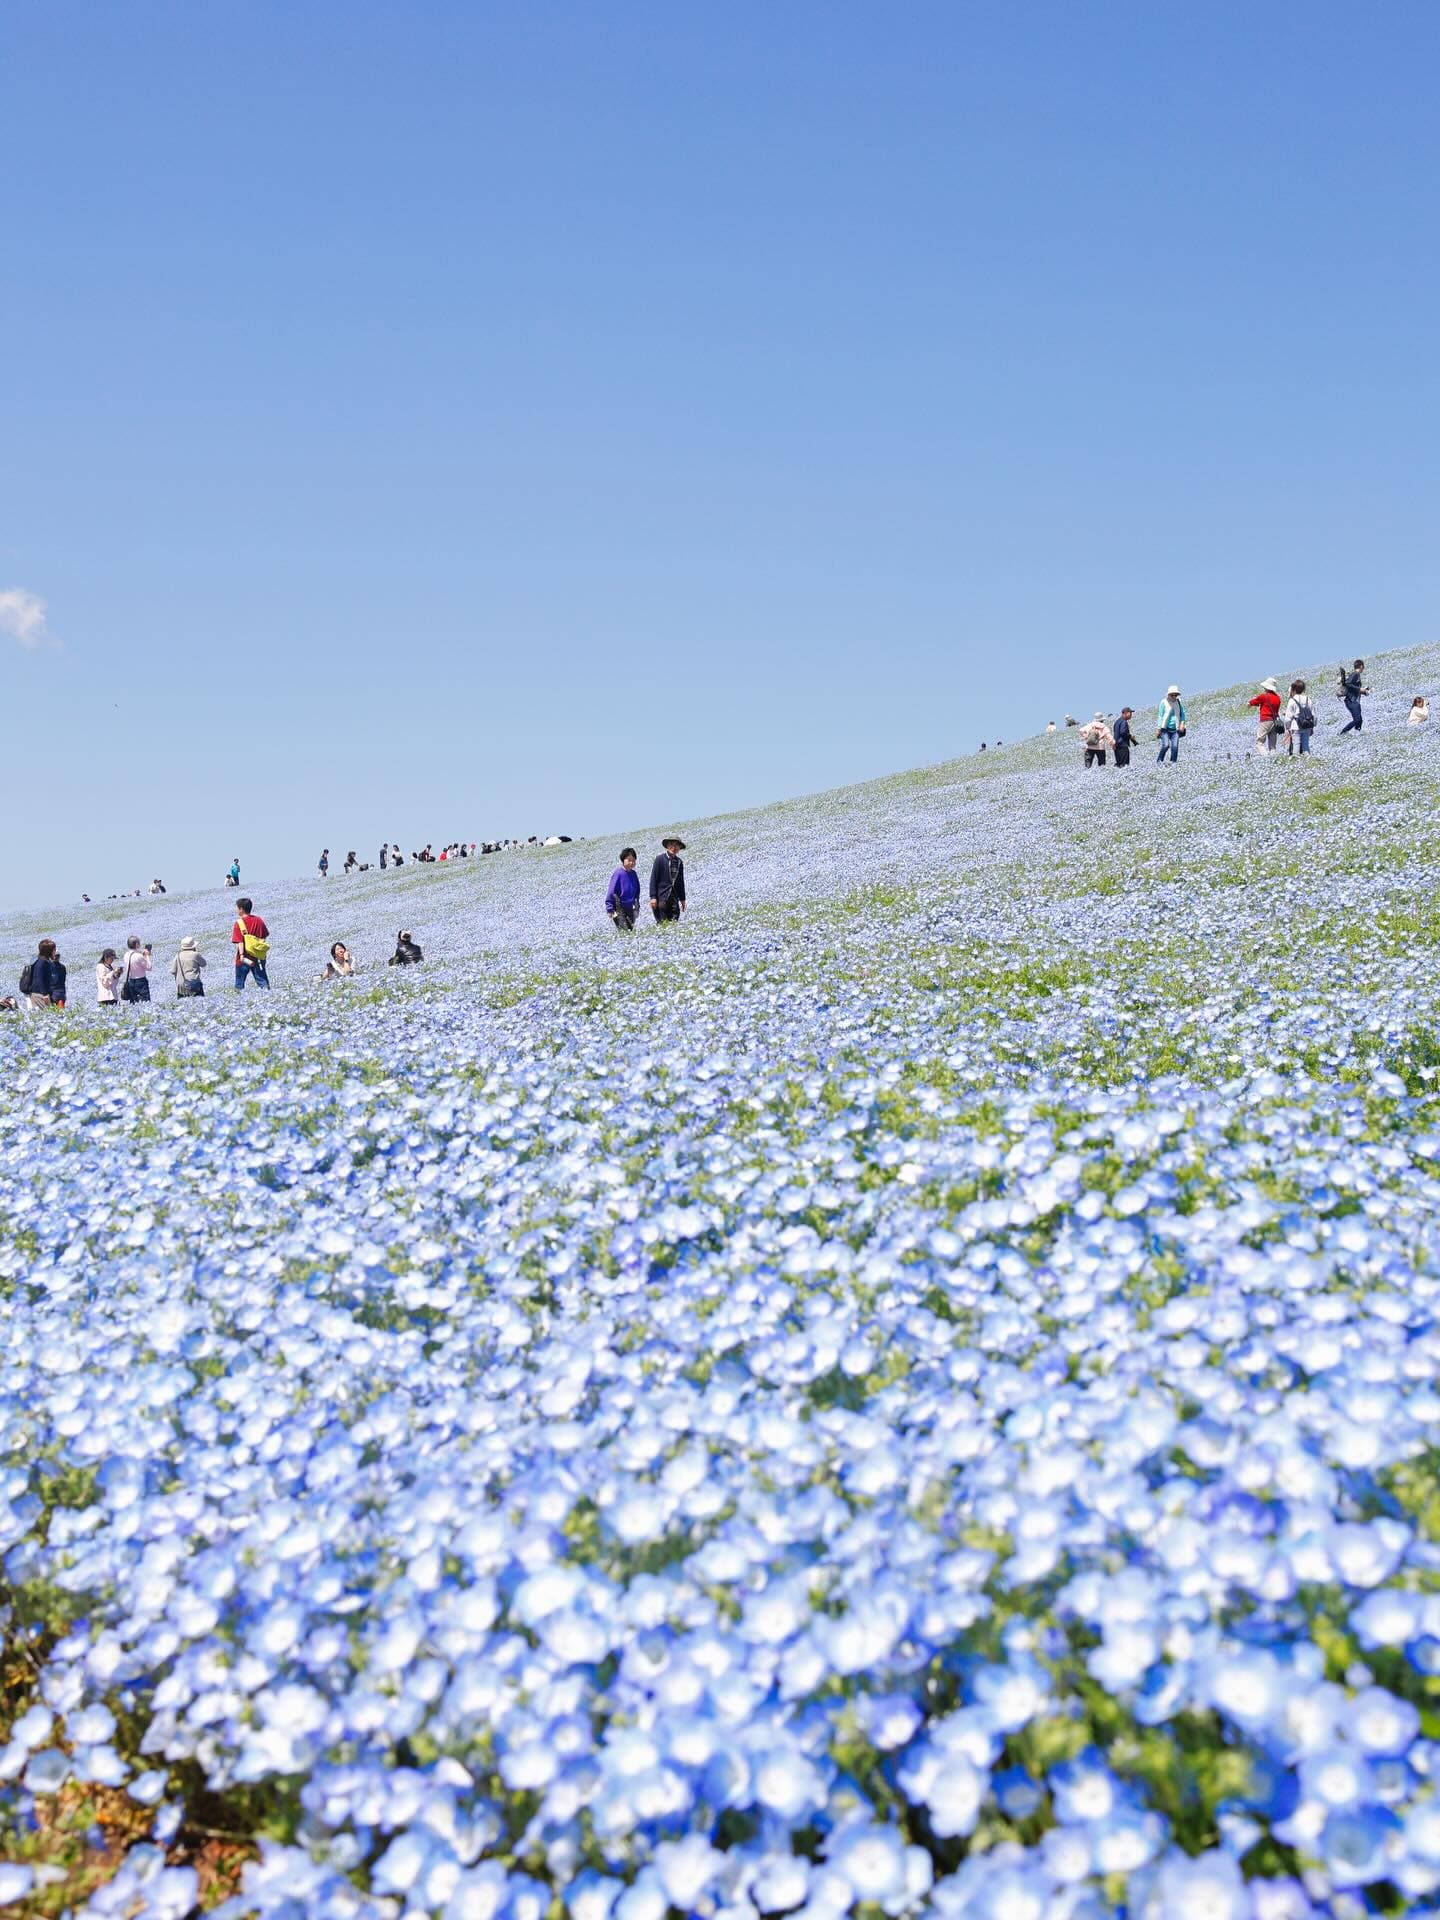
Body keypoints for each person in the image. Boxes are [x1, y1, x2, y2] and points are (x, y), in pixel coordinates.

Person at [231, 897, 271, 989]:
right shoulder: (259, 920)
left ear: (241, 909)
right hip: (258, 956)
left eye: (237, 907)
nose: (236, 910)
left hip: (244, 957)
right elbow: (263, 937)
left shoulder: (239, 923)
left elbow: (240, 942)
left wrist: (241, 955)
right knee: (262, 980)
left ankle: (238, 1001)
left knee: (239, 984)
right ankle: (268, 995)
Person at [650, 837, 687, 923]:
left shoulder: (679, 862)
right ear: (667, 846)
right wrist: (653, 897)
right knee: (662, 923)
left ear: (679, 848)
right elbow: (653, 879)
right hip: (661, 897)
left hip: (674, 898)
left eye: (676, 846)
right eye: (671, 845)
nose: (674, 847)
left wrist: (682, 899)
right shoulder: (659, 859)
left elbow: (680, 882)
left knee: (674, 921)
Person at [21, 938, 65, 1010]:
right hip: (39, 994)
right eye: (54, 950)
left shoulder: (42, 961)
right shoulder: (42, 963)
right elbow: (40, 979)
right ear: (49, 951)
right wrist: (45, 995)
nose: (55, 952)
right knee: (47, 1014)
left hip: (41, 993)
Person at [605, 848, 642, 930]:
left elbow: (637, 891)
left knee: (630, 930)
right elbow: (611, 891)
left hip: (630, 908)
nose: (631, 862)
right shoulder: (618, 873)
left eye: (633, 860)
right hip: (619, 908)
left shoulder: (634, 874)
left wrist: (637, 904)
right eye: (629, 860)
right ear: (623, 860)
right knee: (624, 930)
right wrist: (609, 908)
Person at [1249, 678, 1283, 753]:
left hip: (1265, 721)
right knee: (1272, 745)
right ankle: (1273, 759)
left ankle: (1266, 757)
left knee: (1259, 742)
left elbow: (1253, 702)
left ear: (1266, 687)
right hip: (1275, 721)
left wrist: (1249, 704)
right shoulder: (1277, 698)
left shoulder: (1263, 696)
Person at [1283, 679, 1316, 756]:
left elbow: (1288, 718)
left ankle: (1297, 763)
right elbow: (1314, 715)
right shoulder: (1308, 699)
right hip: (1307, 726)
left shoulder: (1292, 700)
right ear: (1303, 689)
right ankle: (1308, 761)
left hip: (1296, 727)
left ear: (1293, 689)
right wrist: (1312, 727)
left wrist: (1288, 728)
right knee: (1306, 747)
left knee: (1296, 747)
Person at [119, 936, 154, 1004]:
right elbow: (149, 967)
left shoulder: (126, 955)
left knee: (134, 1002)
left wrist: (142, 954)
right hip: (141, 981)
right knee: (145, 1001)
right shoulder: (139, 956)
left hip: (131, 981)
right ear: (136, 944)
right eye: (139, 943)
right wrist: (147, 957)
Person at [1338, 659, 1369, 733]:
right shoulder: (1355, 674)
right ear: (1361, 666)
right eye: (1363, 667)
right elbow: (1348, 684)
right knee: (1357, 720)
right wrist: (1360, 688)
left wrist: (1364, 691)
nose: (1363, 668)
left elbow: (1353, 689)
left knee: (1359, 720)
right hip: (1351, 701)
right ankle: (1343, 733)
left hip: (1354, 700)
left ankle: (1357, 734)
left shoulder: (1356, 675)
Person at [1156, 686, 1185, 762]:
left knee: (1175, 747)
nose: (1174, 697)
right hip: (1165, 729)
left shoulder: (1178, 702)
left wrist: (1182, 724)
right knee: (1166, 745)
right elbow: (1160, 716)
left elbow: (1183, 714)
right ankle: (1159, 761)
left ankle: (1173, 763)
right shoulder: (1163, 702)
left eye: (1176, 695)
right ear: (1168, 695)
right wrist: (1159, 728)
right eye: (1172, 695)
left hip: (1176, 729)